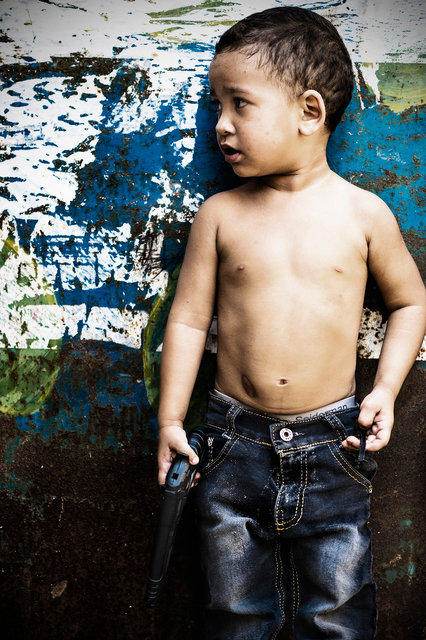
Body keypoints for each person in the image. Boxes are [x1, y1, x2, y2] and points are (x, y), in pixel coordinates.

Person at [156, 6, 426, 639]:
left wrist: (384, 389)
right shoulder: (220, 215)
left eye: (239, 105)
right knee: (234, 614)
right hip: (229, 445)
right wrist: (172, 419)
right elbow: (190, 319)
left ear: (310, 112)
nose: (220, 125)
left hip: (336, 446)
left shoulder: (364, 215)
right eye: (216, 105)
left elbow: (410, 303)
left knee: (337, 616)